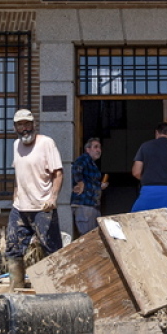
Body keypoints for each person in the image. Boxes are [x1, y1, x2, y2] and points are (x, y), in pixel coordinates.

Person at [6, 109, 64, 289]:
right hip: (20, 207)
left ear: (34, 124)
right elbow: (19, 173)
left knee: (51, 249)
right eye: (20, 125)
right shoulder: (16, 145)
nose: (24, 128)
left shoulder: (46, 143)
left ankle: (55, 289)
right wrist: (15, 194)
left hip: (42, 207)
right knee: (13, 248)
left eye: (27, 124)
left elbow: (58, 173)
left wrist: (53, 197)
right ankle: (16, 290)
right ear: (15, 127)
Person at [70, 137, 107, 238]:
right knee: (87, 237)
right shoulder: (84, 159)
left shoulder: (91, 163)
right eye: (95, 147)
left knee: (92, 238)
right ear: (88, 149)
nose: (98, 150)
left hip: (91, 205)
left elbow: (91, 181)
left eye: (99, 147)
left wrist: (100, 186)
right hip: (85, 205)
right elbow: (77, 168)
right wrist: (80, 183)